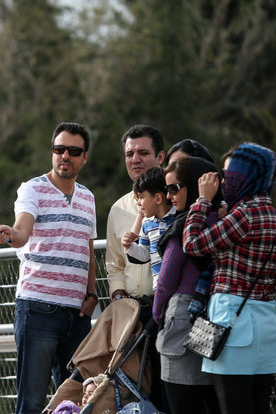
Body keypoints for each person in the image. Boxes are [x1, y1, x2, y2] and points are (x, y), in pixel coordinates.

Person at [0, 122, 98, 414]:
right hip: (38, 310)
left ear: (84, 157)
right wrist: (10, 235)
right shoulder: (32, 189)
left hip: (77, 315)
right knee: (33, 402)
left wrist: (91, 295)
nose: (65, 156)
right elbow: (22, 231)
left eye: (74, 151)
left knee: (75, 404)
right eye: (59, 149)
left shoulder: (88, 198)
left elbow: (87, 249)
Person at [183, 142, 276, 414]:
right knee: (259, 407)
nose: (226, 180)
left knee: (233, 407)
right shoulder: (273, 215)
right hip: (265, 323)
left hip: (232, 327)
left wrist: (201, 202)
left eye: (231, 173)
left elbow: (192, 244)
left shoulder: (244, 214)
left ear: (246, 175)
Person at [104, 124, 168, 412]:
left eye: (143, 152)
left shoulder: (172, 201)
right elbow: (114, 263)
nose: (135, 159)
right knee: (135, 393)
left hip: (166, 310)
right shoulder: (118, 209)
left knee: (169, 391)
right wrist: (118, 297)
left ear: (161, 156)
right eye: (129, 153)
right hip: (133, 313)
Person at [153, 157, 221, 414]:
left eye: (174, 188)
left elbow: (166, 282)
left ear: (194, 185)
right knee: (206, 395)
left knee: (181, 397)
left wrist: (158, 318)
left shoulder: (184, 225)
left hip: (181, 316)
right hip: (210, 316)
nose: (170, 196)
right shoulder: (223, 219)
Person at [122, 166, 175, 291]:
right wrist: (129, 246)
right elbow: (145, 254)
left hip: (180, 286)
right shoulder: (146, 223)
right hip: (159, 287)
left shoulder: (179, 217)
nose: (138, 203)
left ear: (157, 198)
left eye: (141, 197)